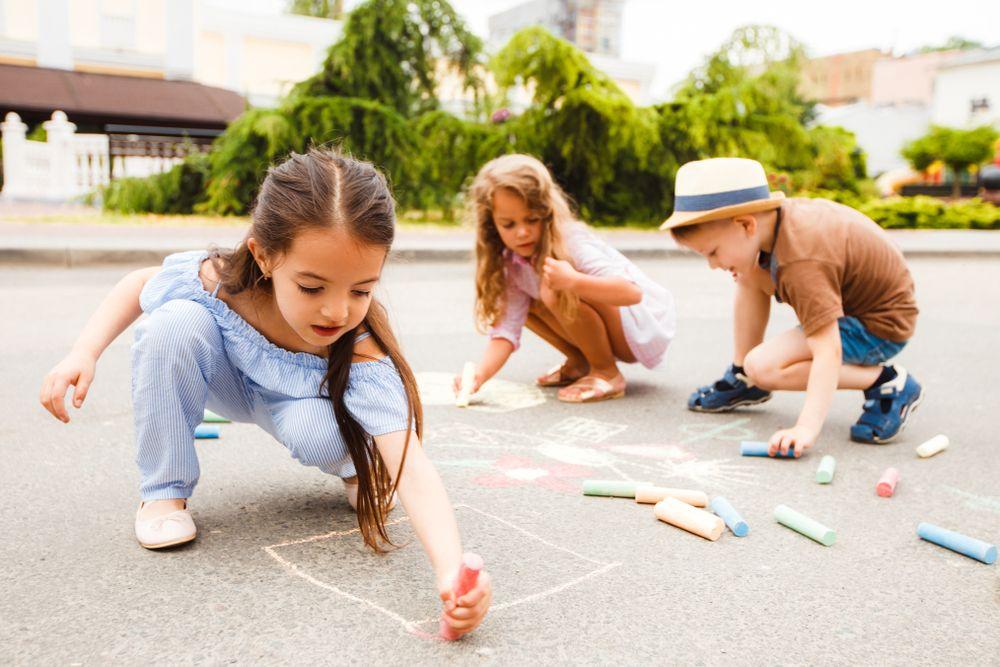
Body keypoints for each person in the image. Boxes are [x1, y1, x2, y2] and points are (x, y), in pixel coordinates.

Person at [40, 149, 491, 637]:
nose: (337, 312)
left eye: (361, 290)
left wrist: (450, 572)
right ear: (264, 255)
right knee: (171, 325)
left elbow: (413, 467)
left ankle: (357, 467)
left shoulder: (361, 350)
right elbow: (138, 284)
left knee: (318, 433)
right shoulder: (221, 280)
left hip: (303, 402)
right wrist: (82, 353)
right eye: (312, 287)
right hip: (230, 381)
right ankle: (163, 494)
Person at [663, 158, 922, 455]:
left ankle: (888, 382)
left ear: (746, 224)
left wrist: (806, 428)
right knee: (747, 270)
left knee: (763, 366)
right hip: (857, 305)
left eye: (713, 252)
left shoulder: (802, 259)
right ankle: (743, 378)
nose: (712, 265)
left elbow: (828, 349)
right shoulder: (774, 223)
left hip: (879, 327)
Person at [457, 154, 675, 403]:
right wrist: (480, 375)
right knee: (524, 305)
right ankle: (582, 362)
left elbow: (631, 293)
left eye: (532, 219)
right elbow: (507, 329)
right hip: (615, 326)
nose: (522, 232)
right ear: (491, 225)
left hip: (639, 329)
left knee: (554, 287)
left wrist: (574, 281)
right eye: (508, 224)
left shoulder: (571, 240)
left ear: (547, 212)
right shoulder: (511, 262)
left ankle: (606, 372)